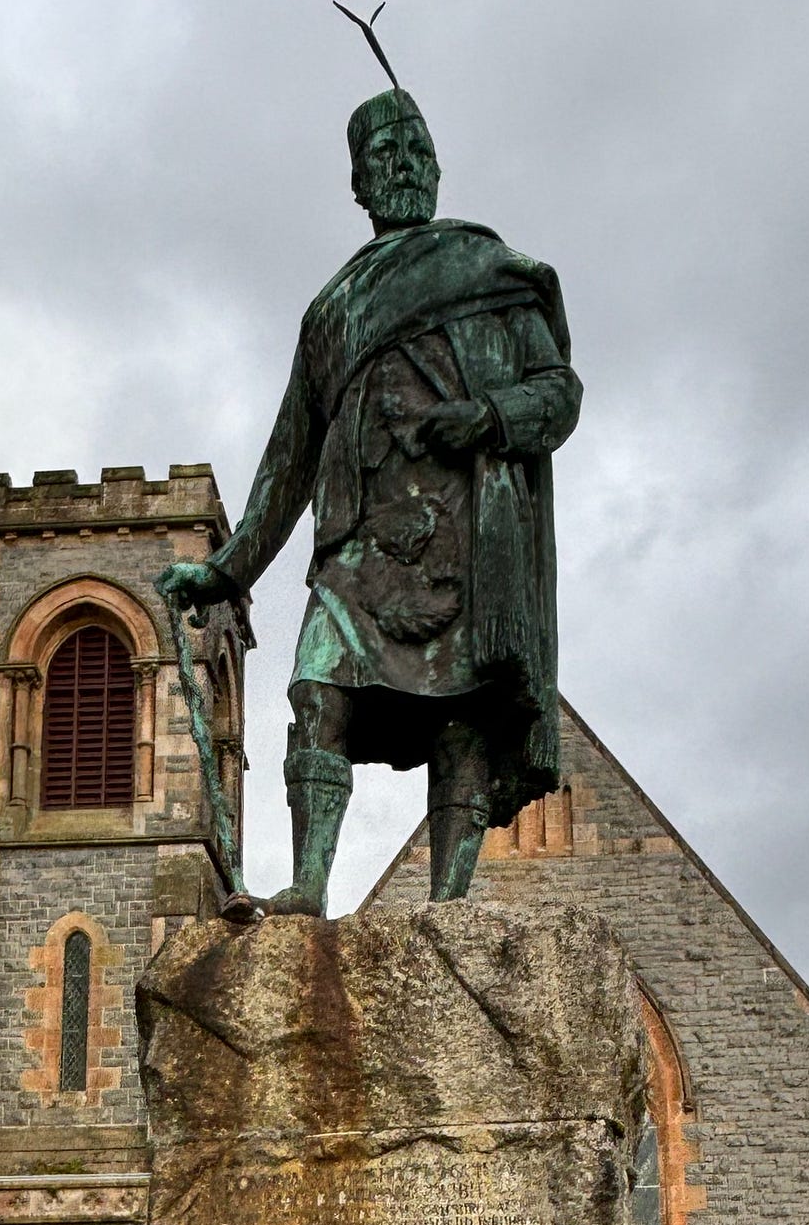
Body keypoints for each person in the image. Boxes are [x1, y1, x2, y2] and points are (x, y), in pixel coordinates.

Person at [161, 81, 582, 913]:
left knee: (460, 715)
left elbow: (559, 393)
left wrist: (489, 416)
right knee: (318, 688)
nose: (407, 168)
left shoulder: (489, 272)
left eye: (419, 152)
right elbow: (287, 462)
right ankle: (309, 885)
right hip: (360, 548)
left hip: (463, 535)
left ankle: (449, 907)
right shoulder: (331, 314)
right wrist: (224, 573)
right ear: (358, 181)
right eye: (386, 157)